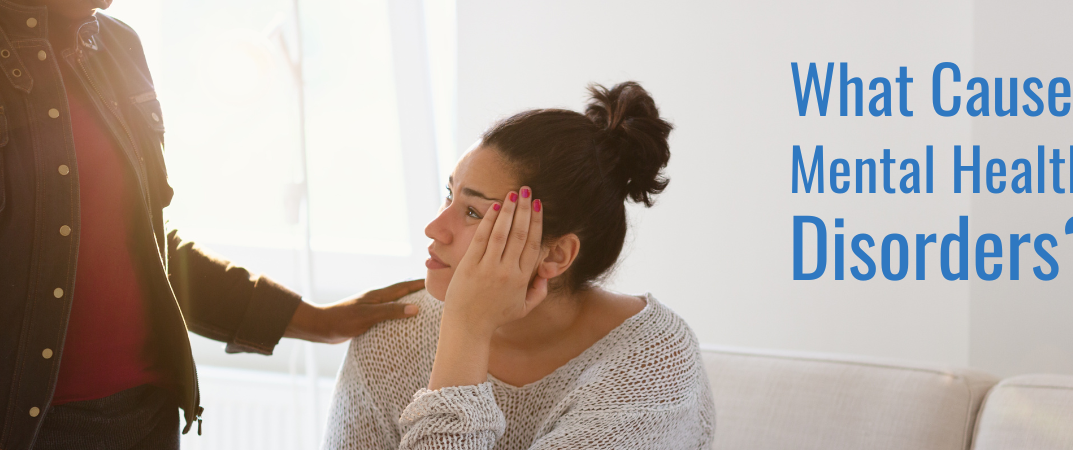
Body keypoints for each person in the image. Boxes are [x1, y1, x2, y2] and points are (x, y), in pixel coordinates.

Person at [0, 1, 424, 449]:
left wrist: (314, 320)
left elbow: (148, 244)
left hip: (146, 415)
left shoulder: (117, 45)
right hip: (23, 423)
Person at [324, 82, 715, 449]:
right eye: (449, 195)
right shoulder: (391, 338)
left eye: (474, 211)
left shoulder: (654, 367)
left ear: (555, 255)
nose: (434, 228)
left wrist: (466, 330)